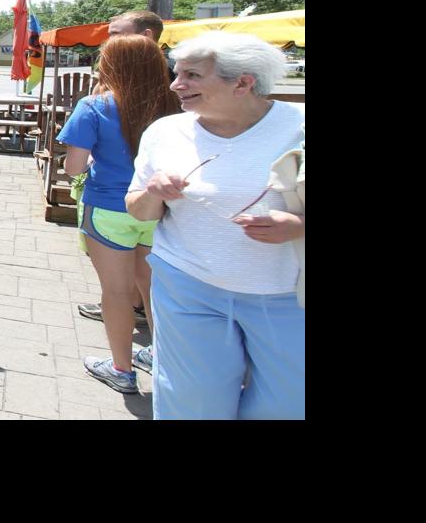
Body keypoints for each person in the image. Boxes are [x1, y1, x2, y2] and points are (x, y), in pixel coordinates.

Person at [126, 32, 305, 419]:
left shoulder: (299, 129)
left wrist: (298, 226)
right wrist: (154, 192)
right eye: (177, 73)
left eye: (192, 75)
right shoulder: (166, 132)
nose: (176, 84)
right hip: (188, 286)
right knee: (192, 405)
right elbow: (138, 211)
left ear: (243, 83)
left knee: (286, 405)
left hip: (287, 296)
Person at [58, 34, 179, 394]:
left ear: (109, 65)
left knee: (116, 292)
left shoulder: (94, 106)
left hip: (109, 209)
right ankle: (160, 356)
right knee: (154, 289)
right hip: (160, 211)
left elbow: (73, 168)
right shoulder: (176, 105)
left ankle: (121, 369)